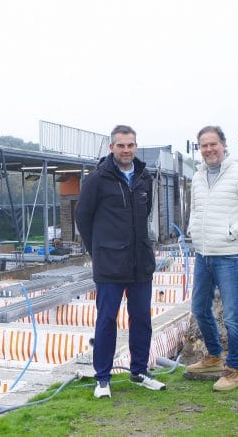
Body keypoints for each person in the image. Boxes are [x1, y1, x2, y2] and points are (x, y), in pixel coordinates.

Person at [75, 124, 165, 398]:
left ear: (135, 147)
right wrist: (98, 250)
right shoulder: (97, 179)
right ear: (111, 147)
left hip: (140, 263)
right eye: (121, 145)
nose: (126, 150)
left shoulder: (144, 178)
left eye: (130, 145)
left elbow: (145, 214)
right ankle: (102, 378)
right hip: (110, 264)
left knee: (141, 319)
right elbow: (83, 218)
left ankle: (139, 371)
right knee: (106, 321)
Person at [186, 125, 238, 391]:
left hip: (229, 256)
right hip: (203, 254)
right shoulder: (197, 176)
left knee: (232, 316)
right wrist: (192, 230)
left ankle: (233, 370)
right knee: (199, 308)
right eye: (204, 145)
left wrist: (233, 232)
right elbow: (195, 209)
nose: (209, 149)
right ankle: (212, 356)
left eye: (213, 144)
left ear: (223, 145)